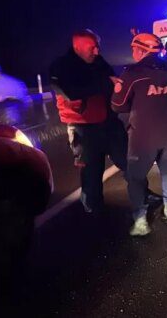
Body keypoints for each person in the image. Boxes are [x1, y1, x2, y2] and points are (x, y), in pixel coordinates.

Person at [49, 29, 131, 213]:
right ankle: (93, 210)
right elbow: (71, 92)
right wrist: (107, 83)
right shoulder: (61, 66)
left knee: (128, 160)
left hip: (108, 121)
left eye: (98, 47)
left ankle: (143, 195)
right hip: (83, 128)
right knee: (91, 172)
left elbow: (112, 81)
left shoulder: (98, 62)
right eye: (92, 48)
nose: (96, 52)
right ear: (76, 46)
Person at [111, 33, 167, 236]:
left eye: (134, 49)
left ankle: (141, 221)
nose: (132, 53)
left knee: (136, 177)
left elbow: (117, 105)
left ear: (141, 50)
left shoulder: (133, 73)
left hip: (142, 137)